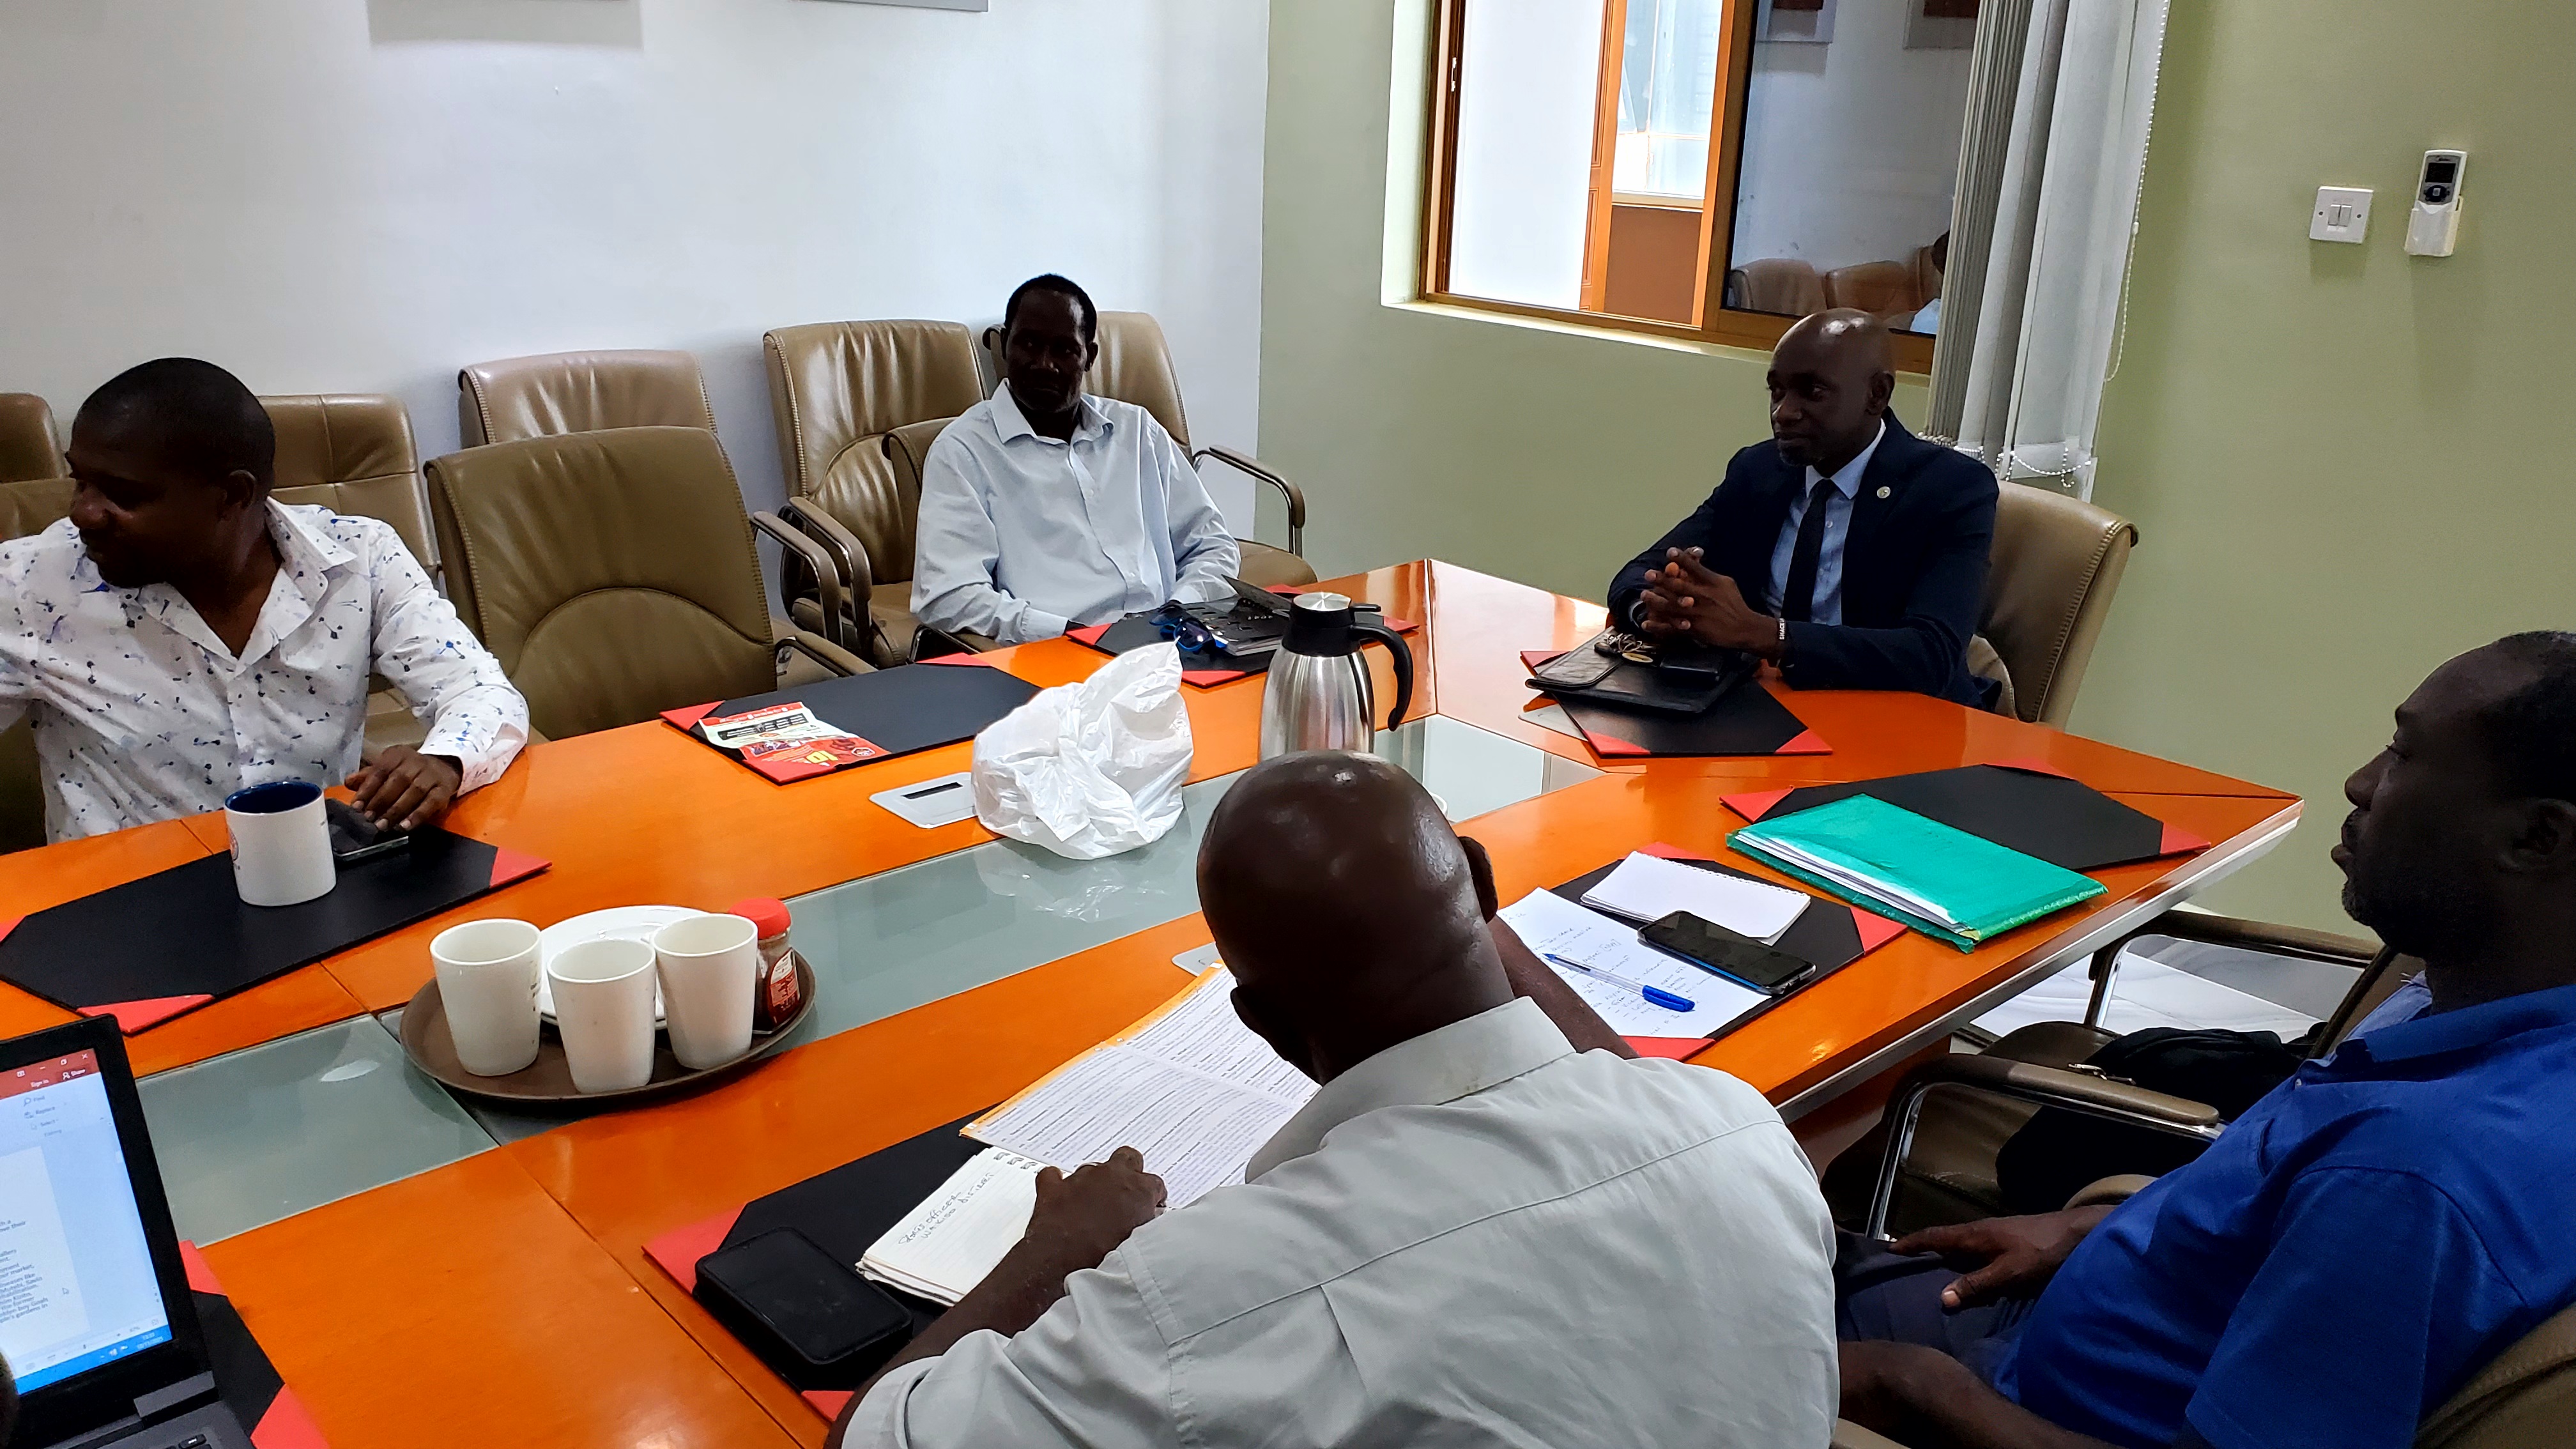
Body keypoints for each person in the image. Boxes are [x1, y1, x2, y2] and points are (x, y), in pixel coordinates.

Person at [830, 751, 1837, 1448]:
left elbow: (871, 1436)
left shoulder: (1205, 1299)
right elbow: (1620, 1095)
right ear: (1484, 904)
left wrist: (1057, 1251)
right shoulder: (1742, 1128)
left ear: (1263, 1026)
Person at [1837, 632, 2576, 1449]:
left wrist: (1917, 1390)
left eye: (2403, 755)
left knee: (1688, 1288)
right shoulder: (2480, 1008)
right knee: (1727, 1234)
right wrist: (2091, 1231)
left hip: (2008, 1405)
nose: (2361, 782)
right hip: (2071, 1310)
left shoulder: (2413, 1178)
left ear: (2539, 838)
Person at [0, 358, 527, 841]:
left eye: (124, 495)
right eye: (81, 482)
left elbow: (480, 690)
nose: (84, 513)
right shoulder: (29, 585)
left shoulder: (357, 558)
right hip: (125, 904)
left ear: (233, 495)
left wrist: (445, 760)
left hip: (320, 875)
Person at [1607, 309, 1998, 705]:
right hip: (1763, 705)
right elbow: (1642, 572)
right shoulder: (1758, 471)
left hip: (1902, 719)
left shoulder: (1949, 488)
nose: (1784, 412)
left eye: (1812, 392)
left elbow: (1931, 654)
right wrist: (1659, 614)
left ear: (1876, 395)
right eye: (1776, 391)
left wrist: (1766, 634)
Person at [910, 275, 1239, 645]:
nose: (1044, 364)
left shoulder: (1138, 431)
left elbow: (1213, 545)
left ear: (1089, 358)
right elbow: (949, 595)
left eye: (1064, 350)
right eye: (1029, 344)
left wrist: (1180, 611)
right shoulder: (963, 451)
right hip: (1054, 657)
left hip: (1170, 645)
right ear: (1004, 346)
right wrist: (1070, 636)